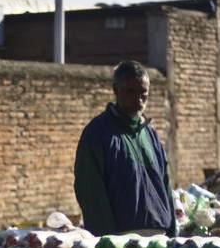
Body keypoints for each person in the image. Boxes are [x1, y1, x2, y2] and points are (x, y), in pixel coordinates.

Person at [73, 60, 177, 237]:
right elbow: (90, 191)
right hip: (122, 239)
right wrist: (107, 241)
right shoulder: (98, 133)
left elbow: (165, 184)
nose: (138, 99)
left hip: (158, 234)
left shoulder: (150, 134)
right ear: (116, 90)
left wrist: (172, 231)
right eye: (130, 91)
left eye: (143, 93)